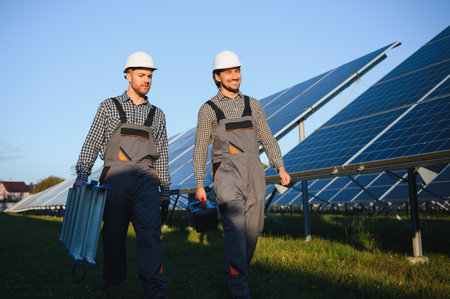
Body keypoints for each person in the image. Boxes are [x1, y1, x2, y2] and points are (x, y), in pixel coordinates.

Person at [193, 50, 291, 298]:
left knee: (252, 231)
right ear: (217, 77)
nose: (235, 76)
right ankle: (239, 290)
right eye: (229, 72)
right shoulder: (208, 110)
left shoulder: (254, 105)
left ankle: (235, 273)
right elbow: (201, 147)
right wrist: (199, 184)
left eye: (237, 71)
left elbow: (267, 138)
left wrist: (279, 166)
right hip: (226, 175)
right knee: (236, 232)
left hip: (254, 173)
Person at [74, 51, 170, 298]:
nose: (146, 80)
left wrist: (165, 190)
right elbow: (92, 142)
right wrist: (83, 173)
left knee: (150, 234)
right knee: (113, 235)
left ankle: (155, 289)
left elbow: (163, 155)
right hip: (115, 179)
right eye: (141, 75)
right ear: (128, 76)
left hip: (147, 181)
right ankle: (112, 285)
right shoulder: (108, 106)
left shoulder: (158, 114)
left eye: (150, 76)